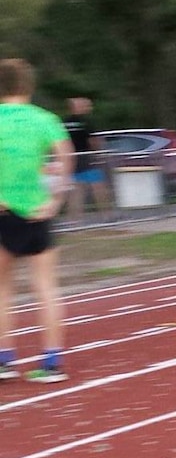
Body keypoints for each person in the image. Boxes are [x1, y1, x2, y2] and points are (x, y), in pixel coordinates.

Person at [0, 58, 75, 383]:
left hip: (3, 212)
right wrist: (56, 199)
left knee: (2, 290)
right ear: (28, 86)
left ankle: (4, 360)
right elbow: (66, 156)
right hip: (38, 211)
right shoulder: (46, 119)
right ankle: (52, 362)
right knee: (46, 288)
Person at [63, 96, 111, 219]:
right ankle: (106, 215)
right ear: (78, 107)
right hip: (86, 157)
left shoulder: (64, 122)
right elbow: (93, 140)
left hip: (72, 159)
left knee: (77, 190)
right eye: (86, 106)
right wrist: (98, 153)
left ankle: (74, 218)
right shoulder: (86, 122)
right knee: (98, 186)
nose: (89, 108)